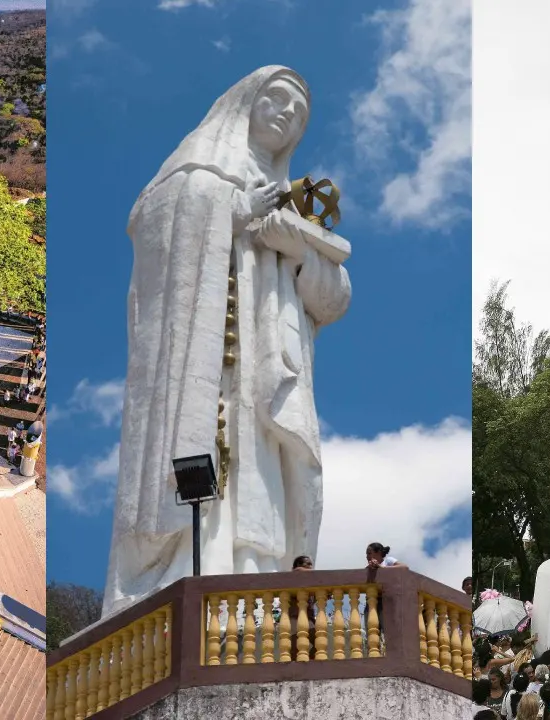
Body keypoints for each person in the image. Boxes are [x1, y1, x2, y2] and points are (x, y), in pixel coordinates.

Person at [102, 66, 350, 616]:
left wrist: (299, 250)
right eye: (278, 99)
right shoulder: (197, 170)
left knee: (265, 476)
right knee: (203, 470)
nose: (288, 114)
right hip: (204, 359)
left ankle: (258, 592)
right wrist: (236, 212)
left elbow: (332, 300)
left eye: (300, 114)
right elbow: (152, 220)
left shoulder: (297, 202)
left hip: (268, 364)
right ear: (245, 103)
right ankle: (195, 578)